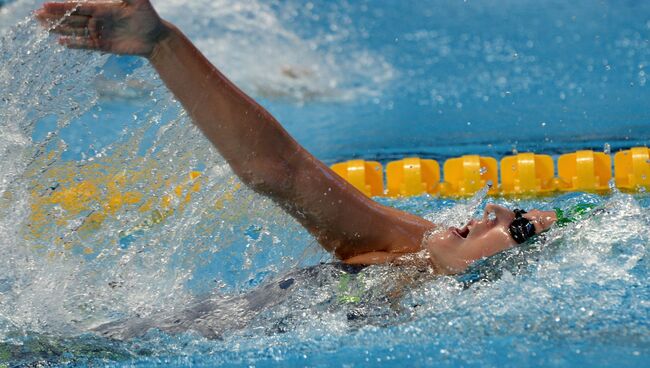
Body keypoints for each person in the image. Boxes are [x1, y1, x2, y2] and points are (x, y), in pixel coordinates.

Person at [35, 0, 558, 275]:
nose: (493, 213)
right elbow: (282, 172)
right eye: (516, 212)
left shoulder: (426, 278)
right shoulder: (410, 249)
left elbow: (279, 172)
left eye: (519, 232)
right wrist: (162, 43)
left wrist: (162, 44)